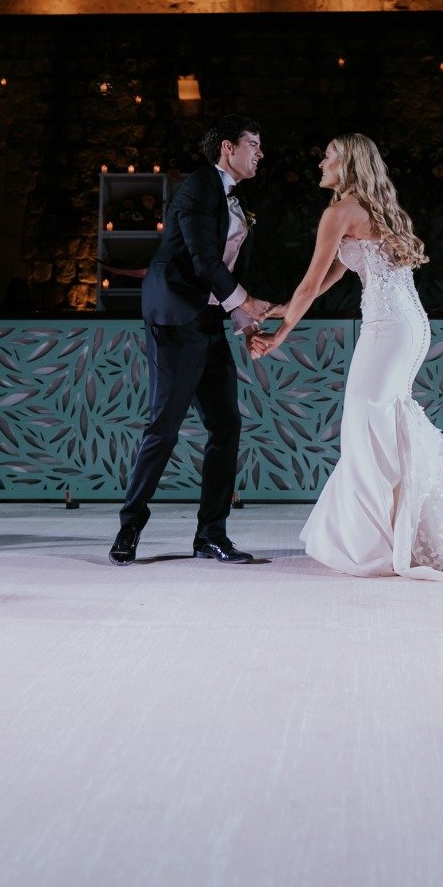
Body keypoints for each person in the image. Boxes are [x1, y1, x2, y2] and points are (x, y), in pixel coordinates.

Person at [251, 134, 443, 583]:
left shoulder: (338, 212)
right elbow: (335, 275)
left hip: (388, 330)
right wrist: (286, 308)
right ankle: (400, 532)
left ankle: (378, 544)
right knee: (382, 423)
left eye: (329, 156)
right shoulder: (369, 207)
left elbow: (309, 280)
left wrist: (280, 335)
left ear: (348, 165)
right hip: (407, 326)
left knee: (367, 423)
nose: (320, 161)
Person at [110, 116, 276, 566]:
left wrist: (242, 321)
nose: (260, 153)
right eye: (254, 144)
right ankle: (129, 527)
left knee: (226, 425)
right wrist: (245, 303)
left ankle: (210, 535)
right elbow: (203, 259)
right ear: (228, 148)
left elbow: (222, 268)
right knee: (164, 425)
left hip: (207, 317)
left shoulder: (235, 199)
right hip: (175, 317)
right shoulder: (199, 187)